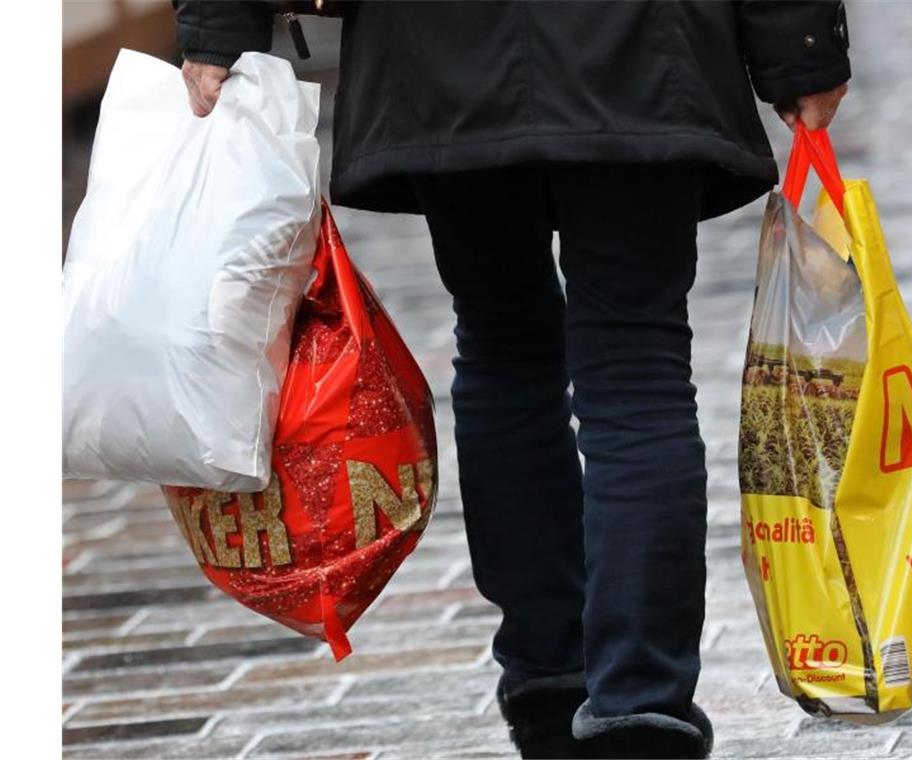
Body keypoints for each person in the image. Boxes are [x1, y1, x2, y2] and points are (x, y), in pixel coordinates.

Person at [173, 2, 849, 757]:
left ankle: (548, 673)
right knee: (635, 368)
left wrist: (217, 24)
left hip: (445, 44)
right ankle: (638, 706)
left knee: (502, 345)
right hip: (639, 43)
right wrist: (801, 44)